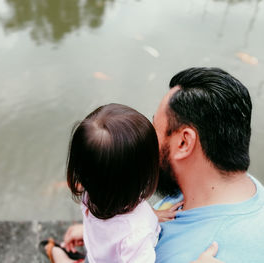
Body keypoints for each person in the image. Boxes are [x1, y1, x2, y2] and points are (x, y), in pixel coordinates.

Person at [41, 103, 222, 263]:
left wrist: (152, 214)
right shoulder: (137, 235)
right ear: (145, 174)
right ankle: (58, 255)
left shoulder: (91, 192)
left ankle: (57, 252)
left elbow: (112, 221)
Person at [153, 67, 264, 262]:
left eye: (154, 130)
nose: (147, 143)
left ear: (184, 142)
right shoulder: (241, 186)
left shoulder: (195, 254)